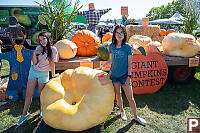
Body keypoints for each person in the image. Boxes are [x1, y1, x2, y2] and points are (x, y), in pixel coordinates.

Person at [99, 25, 146, 126]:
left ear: (124, 34)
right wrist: (102, 67)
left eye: (121, 33)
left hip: (125, 75)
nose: (119, 35)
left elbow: (130, 63)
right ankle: (122, 111)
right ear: (114, 34)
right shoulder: (111, 46)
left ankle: (136, 117)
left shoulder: (127, 47)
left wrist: (129, 76)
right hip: (114, 75)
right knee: (118, 95)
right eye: (117, 32)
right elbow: (111, 60)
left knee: (130, 97)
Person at [17, 32, 59, 126]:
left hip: (43, 74)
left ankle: (42, 112)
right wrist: (34, 53)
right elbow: (35, 63)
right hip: (33, 71)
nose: (42, 42)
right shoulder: (38, 48)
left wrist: (53, 74)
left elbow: (52, 63)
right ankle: (24, 114)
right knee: (28, 94)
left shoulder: (53, 50)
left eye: (43, 39)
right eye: (40, 40)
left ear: (48, 38)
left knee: (42, 95)